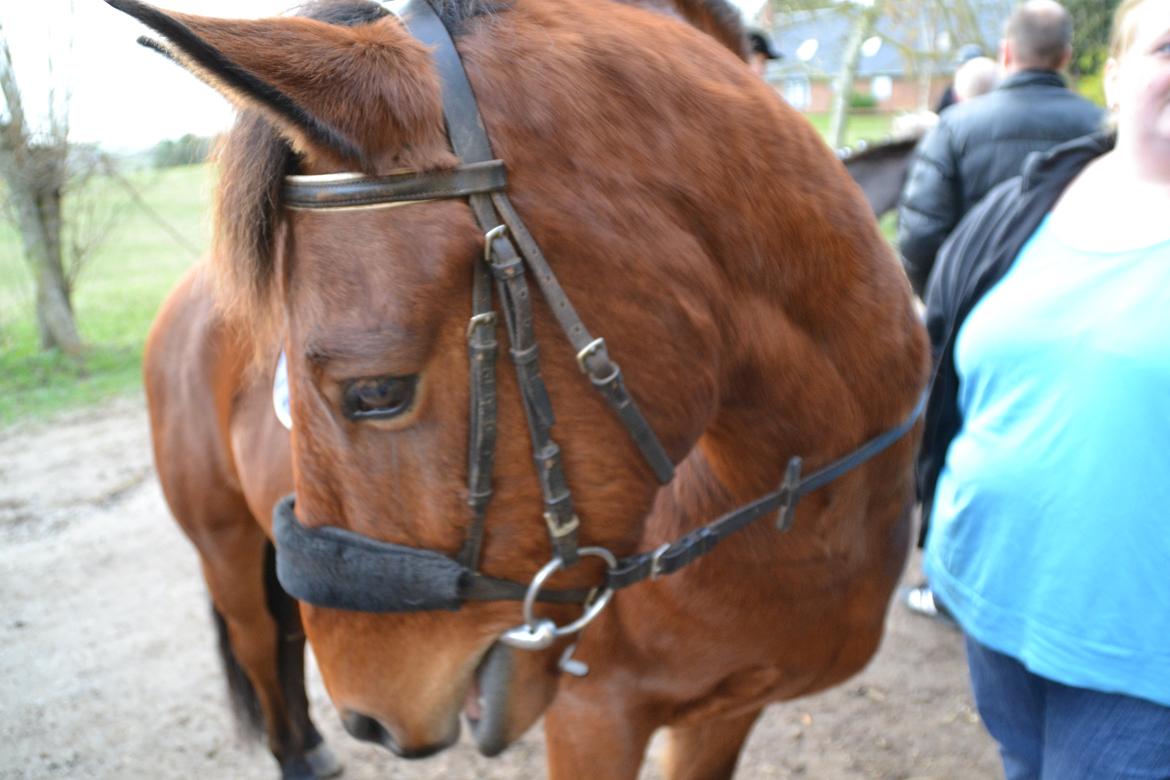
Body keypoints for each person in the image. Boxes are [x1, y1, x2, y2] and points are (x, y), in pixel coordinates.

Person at [918, 0, 1170, 775]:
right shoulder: (1024, 202)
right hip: (994, 599)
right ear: (1115, 76)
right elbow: (948, 354)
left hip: (1134, 650)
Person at [897, 0, 1103, 298]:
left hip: (976, 304)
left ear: (1005, 52)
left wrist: (945, 306)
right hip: (1076, 302)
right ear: (1066, 57)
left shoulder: (953, 128)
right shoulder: (1101, 127)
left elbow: (920, 237)